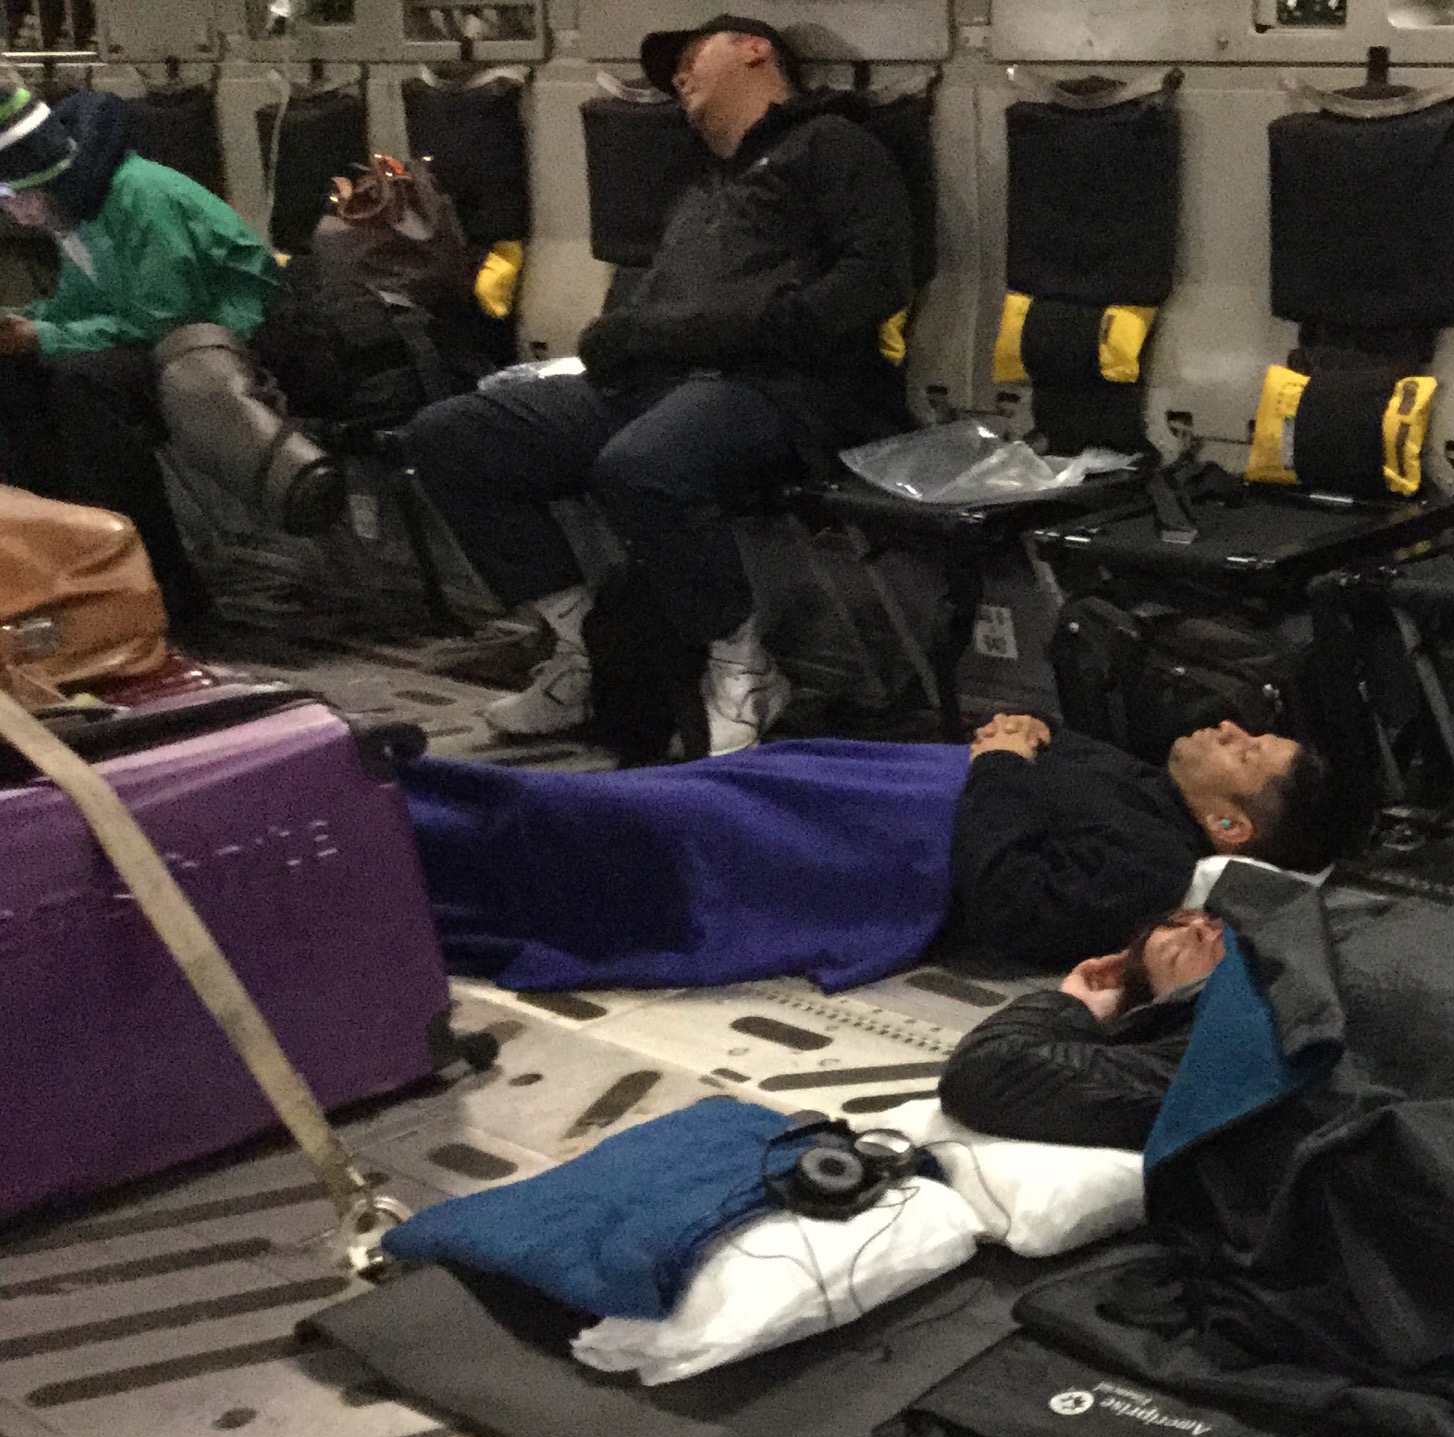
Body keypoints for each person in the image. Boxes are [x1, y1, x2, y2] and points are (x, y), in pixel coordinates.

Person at [398, 15, 914, 754]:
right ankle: (585, 653)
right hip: (660, 383)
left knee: (643, 464)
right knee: (453, 435)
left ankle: (743, 667)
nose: (677, 77)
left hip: (779, 387)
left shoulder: (831, 146)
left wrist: (728, 331)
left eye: (691, 56)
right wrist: (624, 339)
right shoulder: (702, 188)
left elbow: (874, 279)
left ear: (755, 50)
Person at [0, 83, 305, 628]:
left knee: (84, 386)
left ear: (41, 180)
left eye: (10, 194)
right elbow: (83, 307)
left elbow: (162, 320)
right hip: (167, 334)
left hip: (228, 341)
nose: (8, 209)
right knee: (15, 380)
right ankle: (58, 564)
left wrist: (42, 336)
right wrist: (24, 325)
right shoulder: (76, 210)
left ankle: (161, 582)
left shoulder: (139, 199)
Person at [945, 708, 1336, 972]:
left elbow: (1007, 905)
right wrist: (1027, 724)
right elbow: (1042, 740)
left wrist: (999, 763)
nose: (1229, 728)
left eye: (1245, 755)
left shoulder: (1152, 866)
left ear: (1229, 825)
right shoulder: (1154, 785)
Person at [938, 908, 1223, 1145]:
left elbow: (988, 1068)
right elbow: (988, 1068)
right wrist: (1076, 1007)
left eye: (1212, 920)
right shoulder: (1195, 1057)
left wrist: (1072, 1004)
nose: (1197, 927)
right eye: (1175, 956)